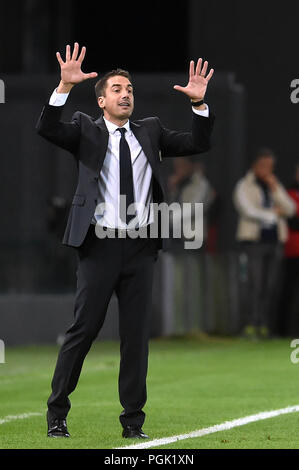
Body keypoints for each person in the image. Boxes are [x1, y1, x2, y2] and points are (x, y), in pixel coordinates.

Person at [36, 43, 215, 439]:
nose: (126, 93)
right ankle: (56, 414)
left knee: (136, 338)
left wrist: (199, 104)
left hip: (140, 247)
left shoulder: (149, 131)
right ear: (101, 100)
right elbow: (47, 128)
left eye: (129, 88)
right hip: (99, 245)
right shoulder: (85, 129)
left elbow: (197, 143)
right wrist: (63, 87)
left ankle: (133, 424)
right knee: (83, 330)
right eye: (117, 88)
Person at [233, 148, 295, 340]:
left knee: (270, 286)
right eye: (264, 166)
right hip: (254, 243)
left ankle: (265, 326)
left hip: (275, 241)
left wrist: (275, 189)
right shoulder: (244, 185)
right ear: (255, 166)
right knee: (255, 284)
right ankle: (252, 325)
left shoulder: (273, 184)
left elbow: (291, 209)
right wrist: (273, 214)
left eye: (270, 166)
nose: (267, 170)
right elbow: (248, 210)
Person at [277, 163, 299, 336]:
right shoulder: (290, 194)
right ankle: (283, 330)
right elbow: (291, 218)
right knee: (288, 291)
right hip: (293, 250)